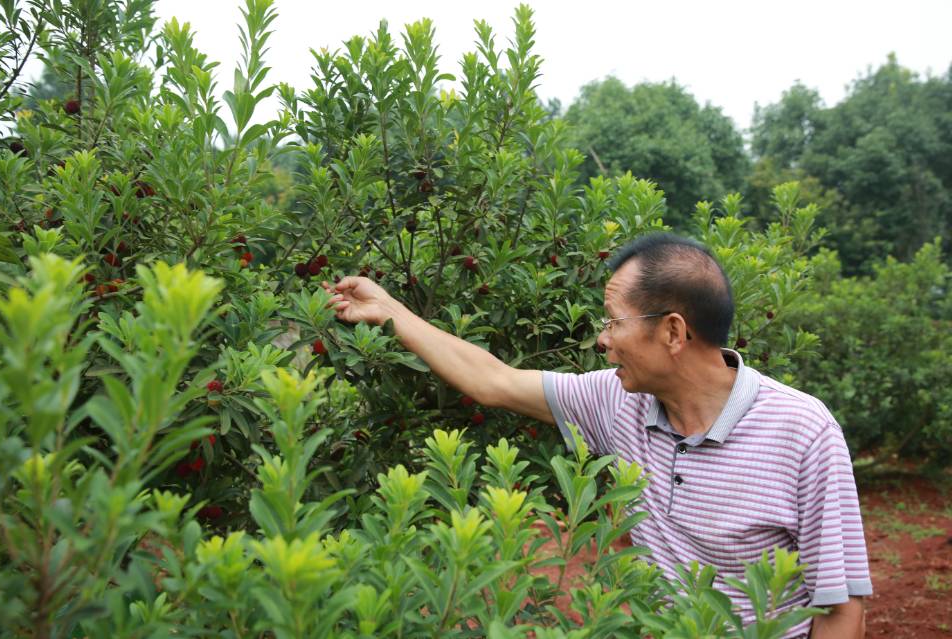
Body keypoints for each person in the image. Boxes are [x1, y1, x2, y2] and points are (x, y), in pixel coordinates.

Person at [325, 232, 871, 639]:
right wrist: (389, 311)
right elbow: (495, 381)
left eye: (613, 322)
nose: (602, 341)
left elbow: (841, 609)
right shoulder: (618, 400)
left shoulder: (802, 431)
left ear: (673, 331)